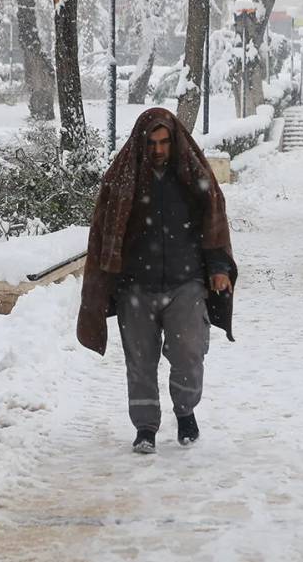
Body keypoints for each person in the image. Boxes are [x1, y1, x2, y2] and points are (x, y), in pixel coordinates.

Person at [77, 107, 238, 455]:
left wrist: (218, 267)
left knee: (189, 352)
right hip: (136, 286)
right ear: (141, 143)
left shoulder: (192, 176)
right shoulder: (123, 180)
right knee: (140, 361)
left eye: (164, 142)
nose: (159, 149)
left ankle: (186, 412)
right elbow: (103, 232)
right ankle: (145, 427)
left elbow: (214, 221)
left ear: (174, 141)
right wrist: (106, 281)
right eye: (152, 143)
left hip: (186, 283)